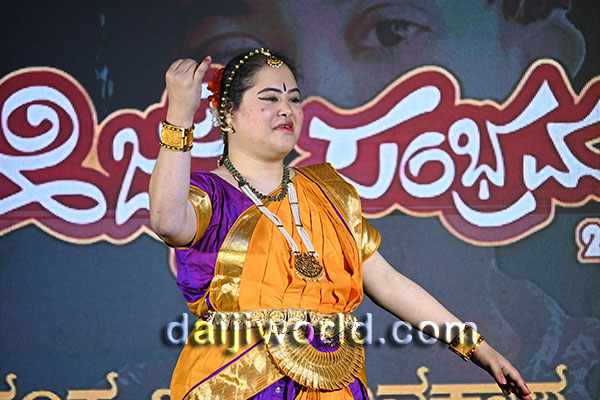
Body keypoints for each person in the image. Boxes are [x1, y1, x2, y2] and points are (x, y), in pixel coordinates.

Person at [149, 48, 532, 399]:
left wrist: (477, 348)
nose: (286, 110)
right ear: (228, 113)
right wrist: (180, 115)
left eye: (293, 99)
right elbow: (167, 221)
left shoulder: (329, 195)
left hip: (335, 383)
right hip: (235, 383)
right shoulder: (209, 196)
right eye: (270, 99)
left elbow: (388, 283)